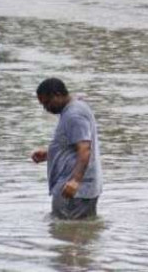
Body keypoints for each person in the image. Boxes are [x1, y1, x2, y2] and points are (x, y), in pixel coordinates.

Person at [31, 78, 103, 220]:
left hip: (74, 190)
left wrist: (75, 181)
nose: (46, 108)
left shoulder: (74, 115)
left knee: (66, 235)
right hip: (80, 189)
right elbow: (74, 145)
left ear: (58, 95)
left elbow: (85, 149)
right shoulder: (75, 108)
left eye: (47, 103)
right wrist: (48, 154)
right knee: (79, 232)